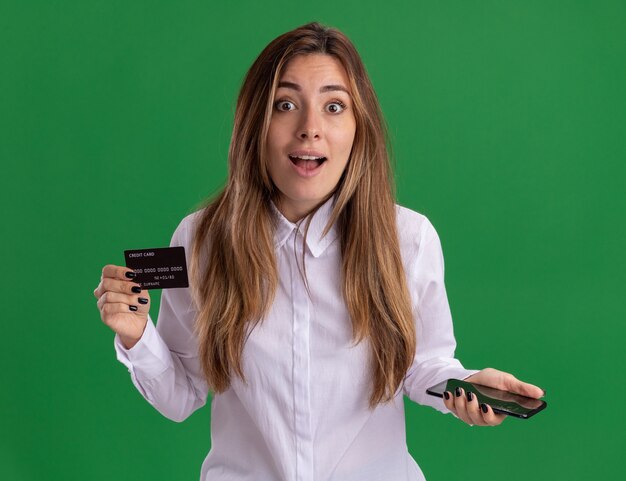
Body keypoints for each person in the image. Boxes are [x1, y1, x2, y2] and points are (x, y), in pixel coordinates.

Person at [93, 22, 544, 481]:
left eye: (334, 107)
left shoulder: (409, 239)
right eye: (285, 105)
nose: (310, 129)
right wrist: (137, 336)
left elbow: (421, 365)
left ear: (358, 127)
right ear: (256, 123)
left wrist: (464, 387)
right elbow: (181, 396)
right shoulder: (201, 241)